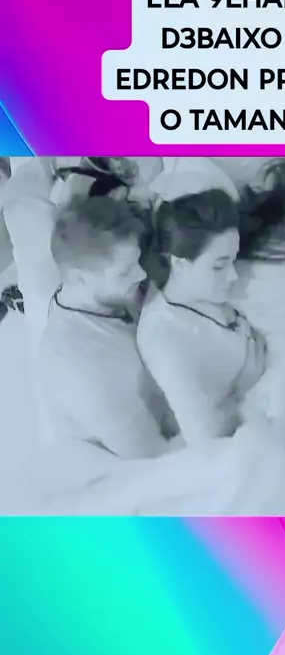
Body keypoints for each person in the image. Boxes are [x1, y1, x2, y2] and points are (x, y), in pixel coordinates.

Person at [37, 195, 171, 459]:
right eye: (124, 272)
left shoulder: (107, 293)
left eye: (137, 261)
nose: (141, 274)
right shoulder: (80, 366)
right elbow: (151, 454)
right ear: (80, 278)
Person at [137, 187, 269, 445]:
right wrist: (249, 389)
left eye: (233, 260)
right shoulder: (166, 338)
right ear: (179, 264)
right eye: (219, 266)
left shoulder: (201, 292)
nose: (232, 275)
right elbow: (204, 435)